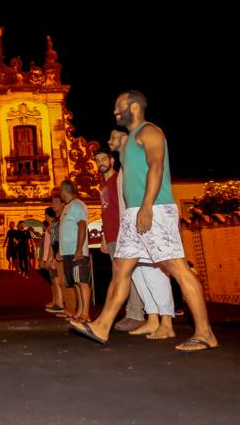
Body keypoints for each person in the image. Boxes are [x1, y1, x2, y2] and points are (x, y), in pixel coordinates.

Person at [71, 90, 218, 352]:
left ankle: (205, 333)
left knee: (176, 267)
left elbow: (156, 167)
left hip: (155, 209)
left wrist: (148, 206)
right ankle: (102, 325)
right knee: (121, 270)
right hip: (133, 213)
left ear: (135, 106)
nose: (115, 110)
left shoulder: (149, 132)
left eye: (120, 105)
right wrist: (135, 211)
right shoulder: (127, 144)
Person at [93, 143, 147, 332]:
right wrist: (103, 237)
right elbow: (106, 212)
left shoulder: (119, 180)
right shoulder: (105, 185)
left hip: (122, 234)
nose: (100, 163)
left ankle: (135, 314)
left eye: (103, 159)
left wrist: (125, 234)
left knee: (126, 276)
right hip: (111, 236)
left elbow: (126, 207)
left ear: (112, 160)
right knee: (120, 276)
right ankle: (130, 313)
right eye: (97, 160)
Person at [58, 180, 91, 323]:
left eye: (60, 191)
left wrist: (79, 249)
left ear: (65, 191)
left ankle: (86, 313)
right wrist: (61, 250)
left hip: (76, 252)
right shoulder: (68, 207)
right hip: (67, 252)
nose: (60, 194)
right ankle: (79, 311)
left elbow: (82, 227)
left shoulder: (77, 205)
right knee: (75, 283)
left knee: (82, 281)